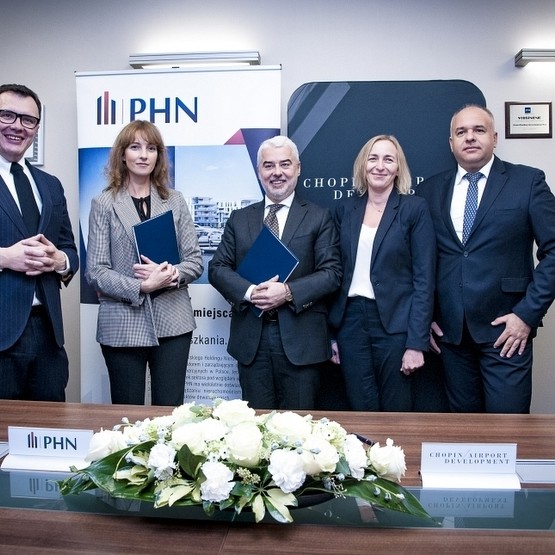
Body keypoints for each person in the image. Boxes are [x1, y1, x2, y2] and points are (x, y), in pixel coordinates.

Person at [416, 104, 555, 413]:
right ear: (451, 142)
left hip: (507, 332)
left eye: (479, 130)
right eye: (461, 132)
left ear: (494, 137)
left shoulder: (527, 182)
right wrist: (423, 319)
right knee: (463, 433)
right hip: (450, 337)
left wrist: (526, 316)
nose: (470, 137)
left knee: (508, 431)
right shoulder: (429, 190)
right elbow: (419, 262)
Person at [208, 135, 342, 410]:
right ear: (259, 171)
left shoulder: (319, 217)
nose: (277, 172)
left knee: (299, 429)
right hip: (251, 343)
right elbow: (217, 268)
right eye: (269, 166)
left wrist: (287, 292)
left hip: (301, 342)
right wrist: (250, 292)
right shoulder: (239, 218)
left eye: (285, 164)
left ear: (298, 168)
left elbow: (331, 273)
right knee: (255, 428)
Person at [85, 120, 203, 406]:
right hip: (123, 324)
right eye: (135, 147)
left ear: (158, 156)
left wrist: (170, 274)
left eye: (151, 148)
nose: (143, 155)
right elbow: (96, 271)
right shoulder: (104, 203)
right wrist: (142, 286)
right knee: (127, 417)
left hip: (173, 322)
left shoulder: (175, 200)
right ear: (122, 154)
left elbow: (195, 261)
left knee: (170, 415)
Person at [328, 135, 437, 411]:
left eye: (389, 159)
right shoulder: (345, 210)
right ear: (363, 165)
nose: (380, 166)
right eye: (373, 158)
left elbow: (424, 280)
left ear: (398, 168)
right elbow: (335, 273)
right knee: (360, 405)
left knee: (396, 408)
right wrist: (332, 335)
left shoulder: (414, 209)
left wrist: (416, 343)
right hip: (350, 322)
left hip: (395, 323)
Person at [0, 83, 78, 401]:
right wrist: (5, 257)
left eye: (28, 120)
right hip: (2, 337)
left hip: (48, 336)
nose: (18, 126)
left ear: (35, 128)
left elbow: (69, 249)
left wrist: (61, 261)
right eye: (7, 115)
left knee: (51, 427)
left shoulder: (50, 185)